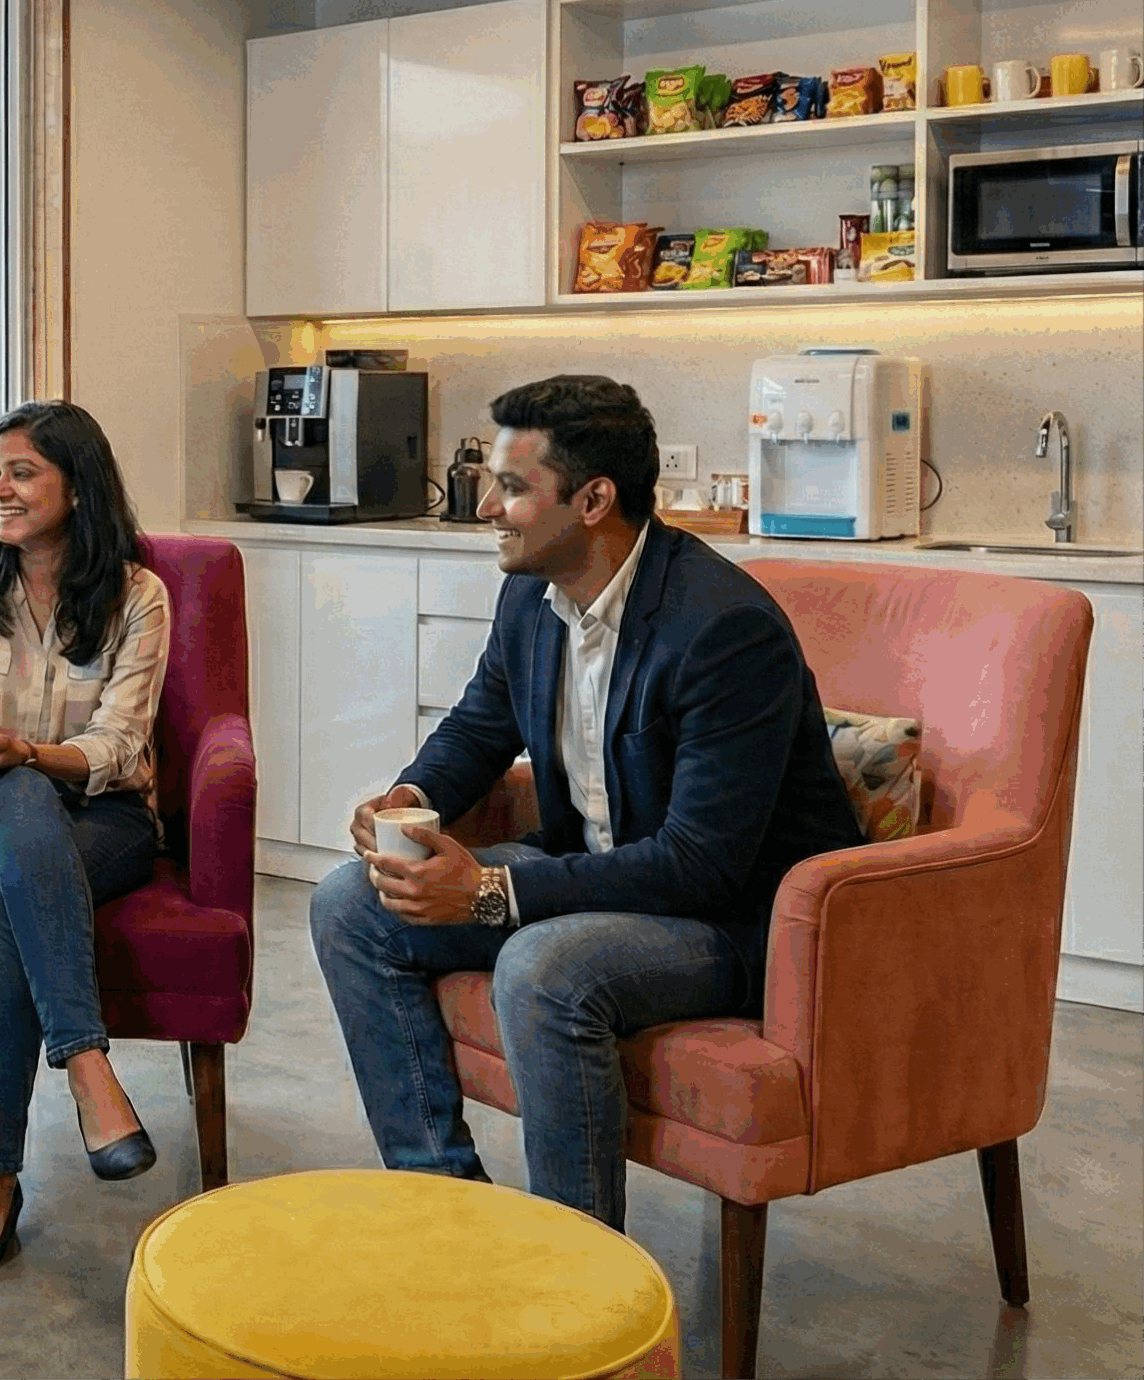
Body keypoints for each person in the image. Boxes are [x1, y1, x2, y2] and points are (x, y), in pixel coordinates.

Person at [308, 374, 863, 1230]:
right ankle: (446, 1208)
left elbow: (701, 863)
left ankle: (577, 1264)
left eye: (513, 486)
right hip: (595, 871)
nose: (486, 507)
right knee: (350, 903)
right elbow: (482, 722)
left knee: (544, 967)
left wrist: (489, 891)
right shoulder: (530, 593)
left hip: (733, 920)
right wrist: (412, 794)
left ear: (595, 500)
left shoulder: (721, 628)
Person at [0, 400, 172, 1283]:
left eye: (22, 472)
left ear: (77, 487)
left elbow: (120, 746)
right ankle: (87, 1061)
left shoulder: (137, 595)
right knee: (10, 798)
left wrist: (28, 752)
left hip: (103, 818)